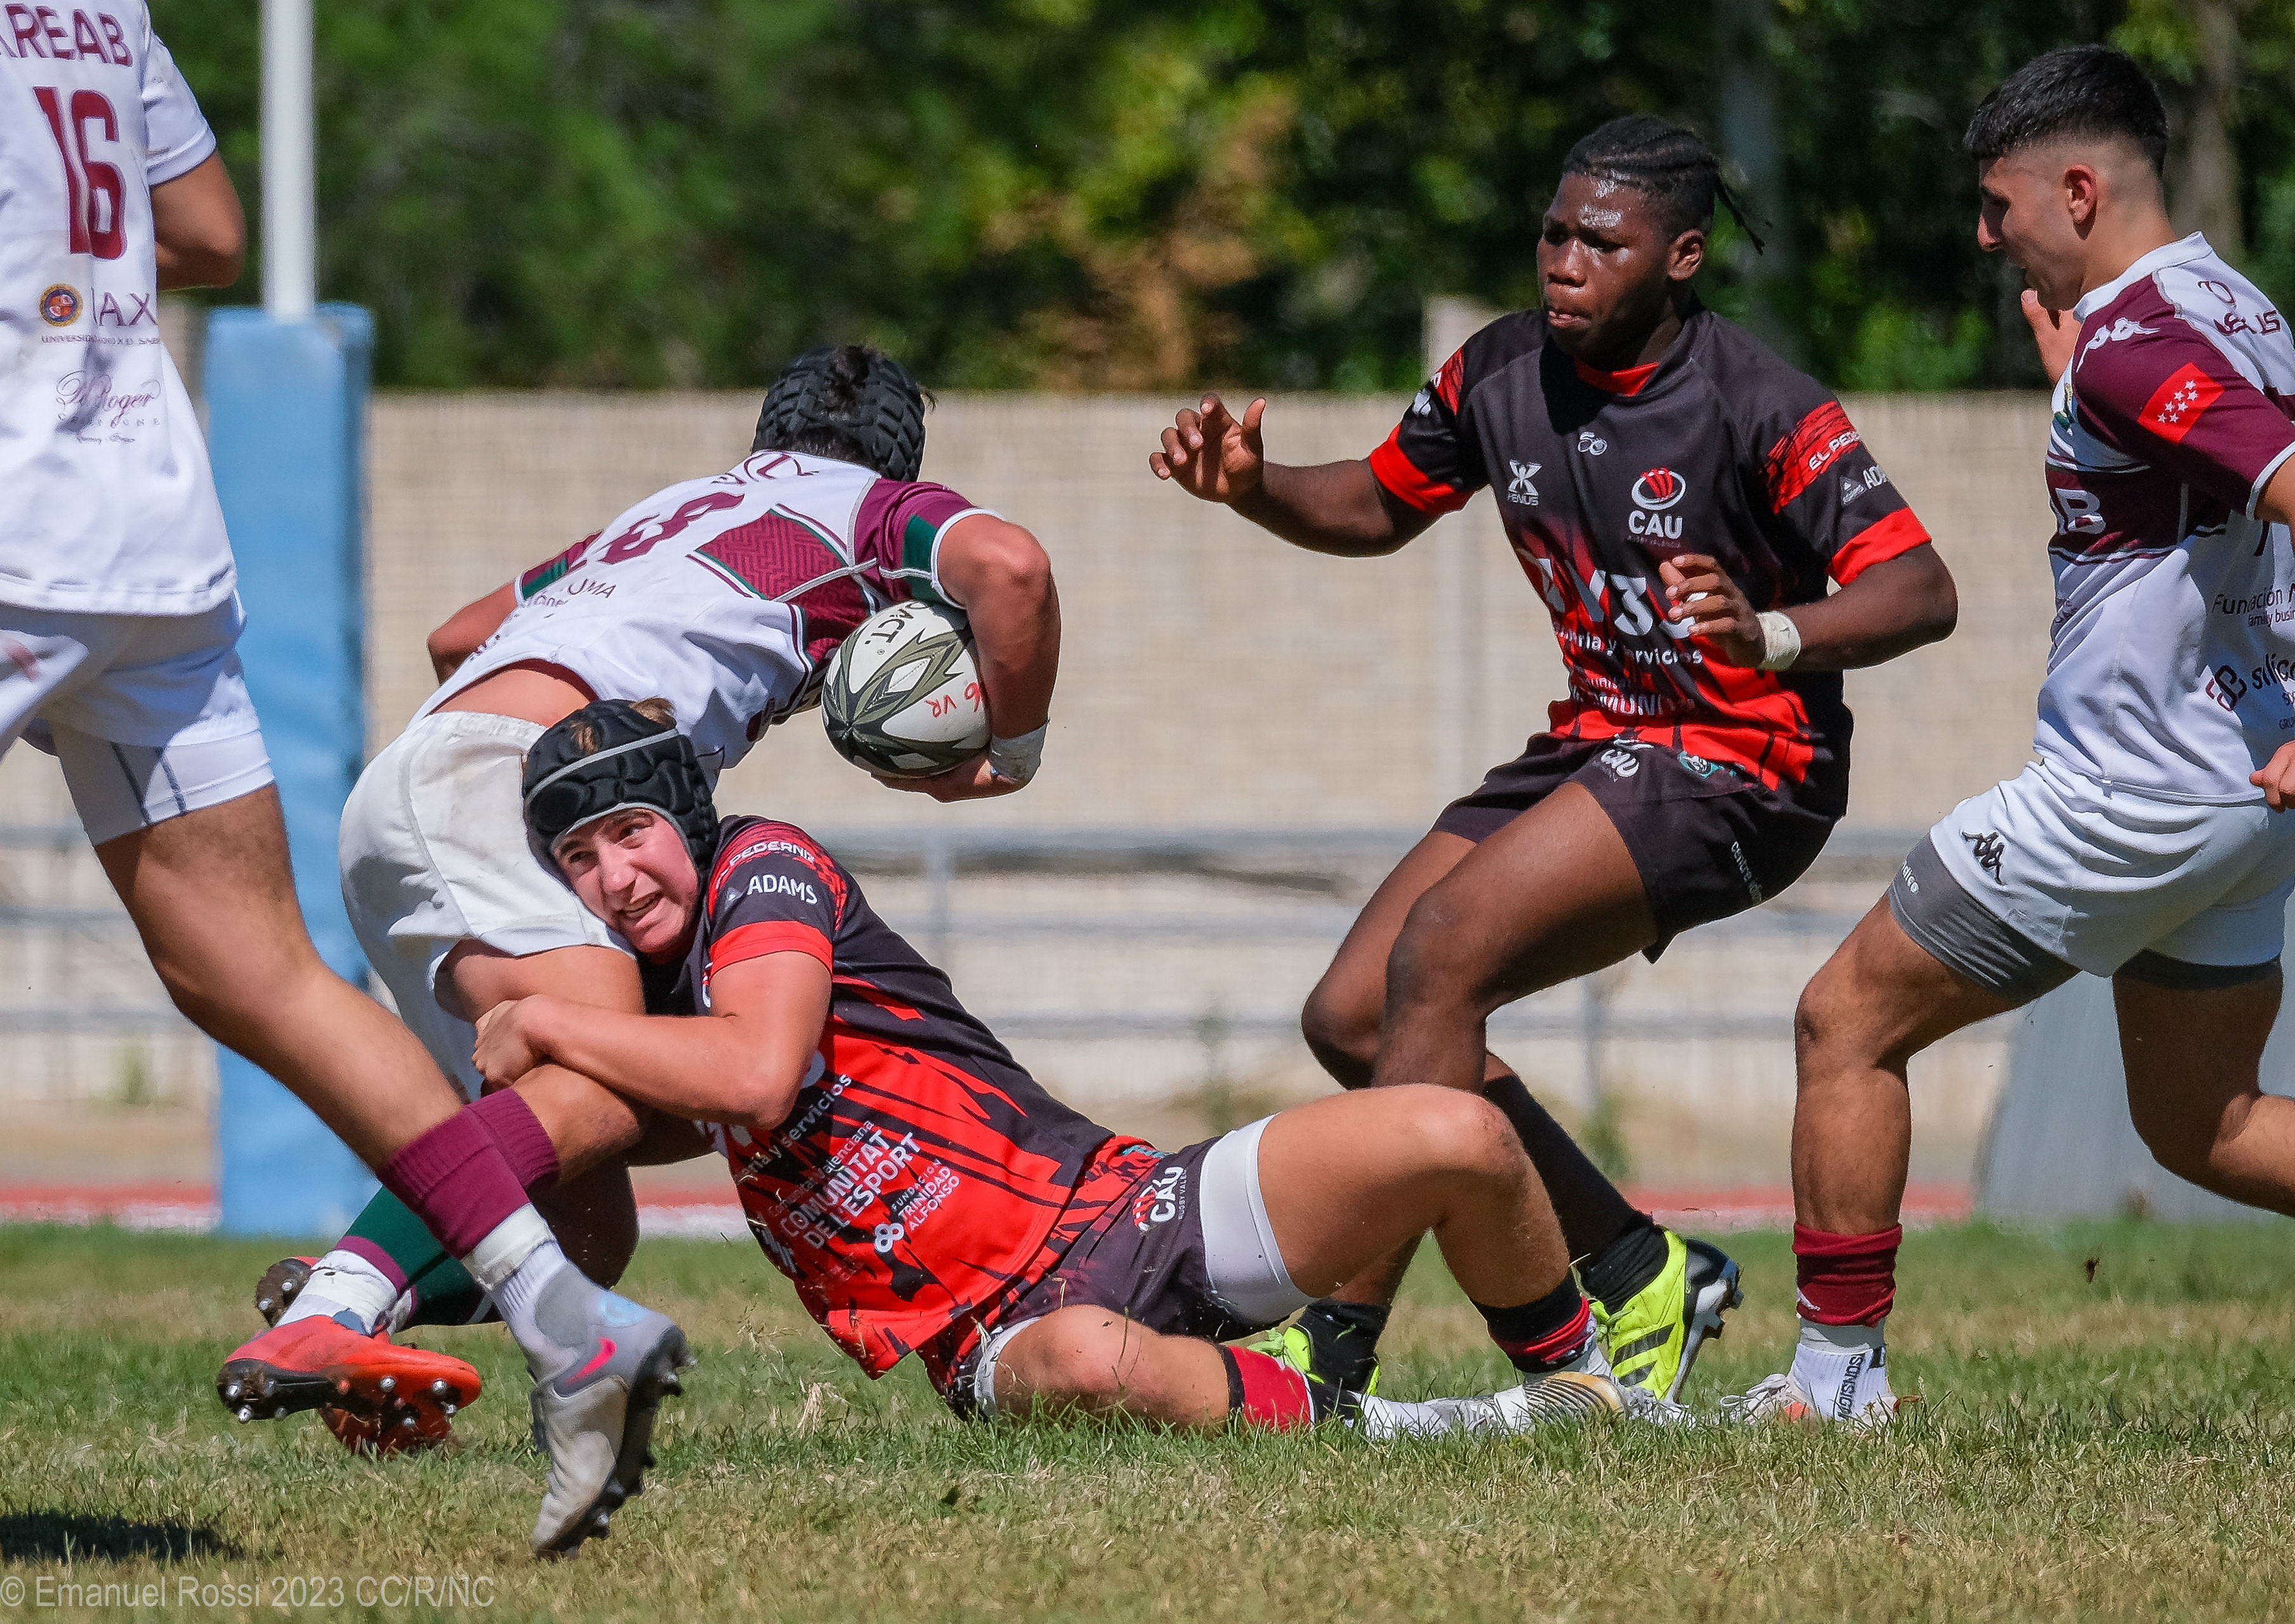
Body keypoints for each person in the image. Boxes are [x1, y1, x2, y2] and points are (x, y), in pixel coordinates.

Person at [0, 8, 688, 1555]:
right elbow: (206, 227)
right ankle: (565, 1312)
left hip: (13, 519)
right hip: (152, 532)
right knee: (262, 972)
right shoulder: (103, 12)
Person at [1148, 115, 1959, 1402]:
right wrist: (1254, 485)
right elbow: (1377, 502)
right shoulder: (1499, 371)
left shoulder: (1760, 404)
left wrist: (1772, 631)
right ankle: (1639, 1268)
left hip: (1746, 762)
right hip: (1602, 738)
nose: (1564, 262)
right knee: (1354, 1015)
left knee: (1441, 955)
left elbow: (1922, 589)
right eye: (1554, 232)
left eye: (1602, 242)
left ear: (1682, 257)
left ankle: (1335, 1342)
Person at [1733, 46, 2295, 1427]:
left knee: (1844, 1023)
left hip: (2128, 795)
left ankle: (1834, 1382)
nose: (1989, 237)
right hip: (2237, 800)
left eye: (2002, 205)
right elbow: (2185, 478)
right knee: (2206, 1122)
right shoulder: (2237, 307)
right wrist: (2079, 381)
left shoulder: (2132, 349)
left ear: (2081, 191)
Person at [225, 343, 1062, 1456]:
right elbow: (1012, 568)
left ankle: (361, 1316)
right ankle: (342, 1301)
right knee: (611, 1080)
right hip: (498, 785)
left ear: (767, 435)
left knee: (591, 1220)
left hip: (411, 786)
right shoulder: (875, 513)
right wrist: (1011, 752)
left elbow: (455, 637)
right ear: (900, 463)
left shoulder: (673, 511)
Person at [463, 697, 1681, 1437]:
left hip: (1122, 1205)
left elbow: (755, 1078)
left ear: (684, 819)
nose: (616, 876)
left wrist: (545, 1023)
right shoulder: (642, 993)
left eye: (631, 833)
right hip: (994, 1332)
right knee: (1090, 1363)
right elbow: (672, 1119)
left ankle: (1585, 1396)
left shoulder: (759, 867)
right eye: (580, 859)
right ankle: (1438, 1429)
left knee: (1454, 1133)